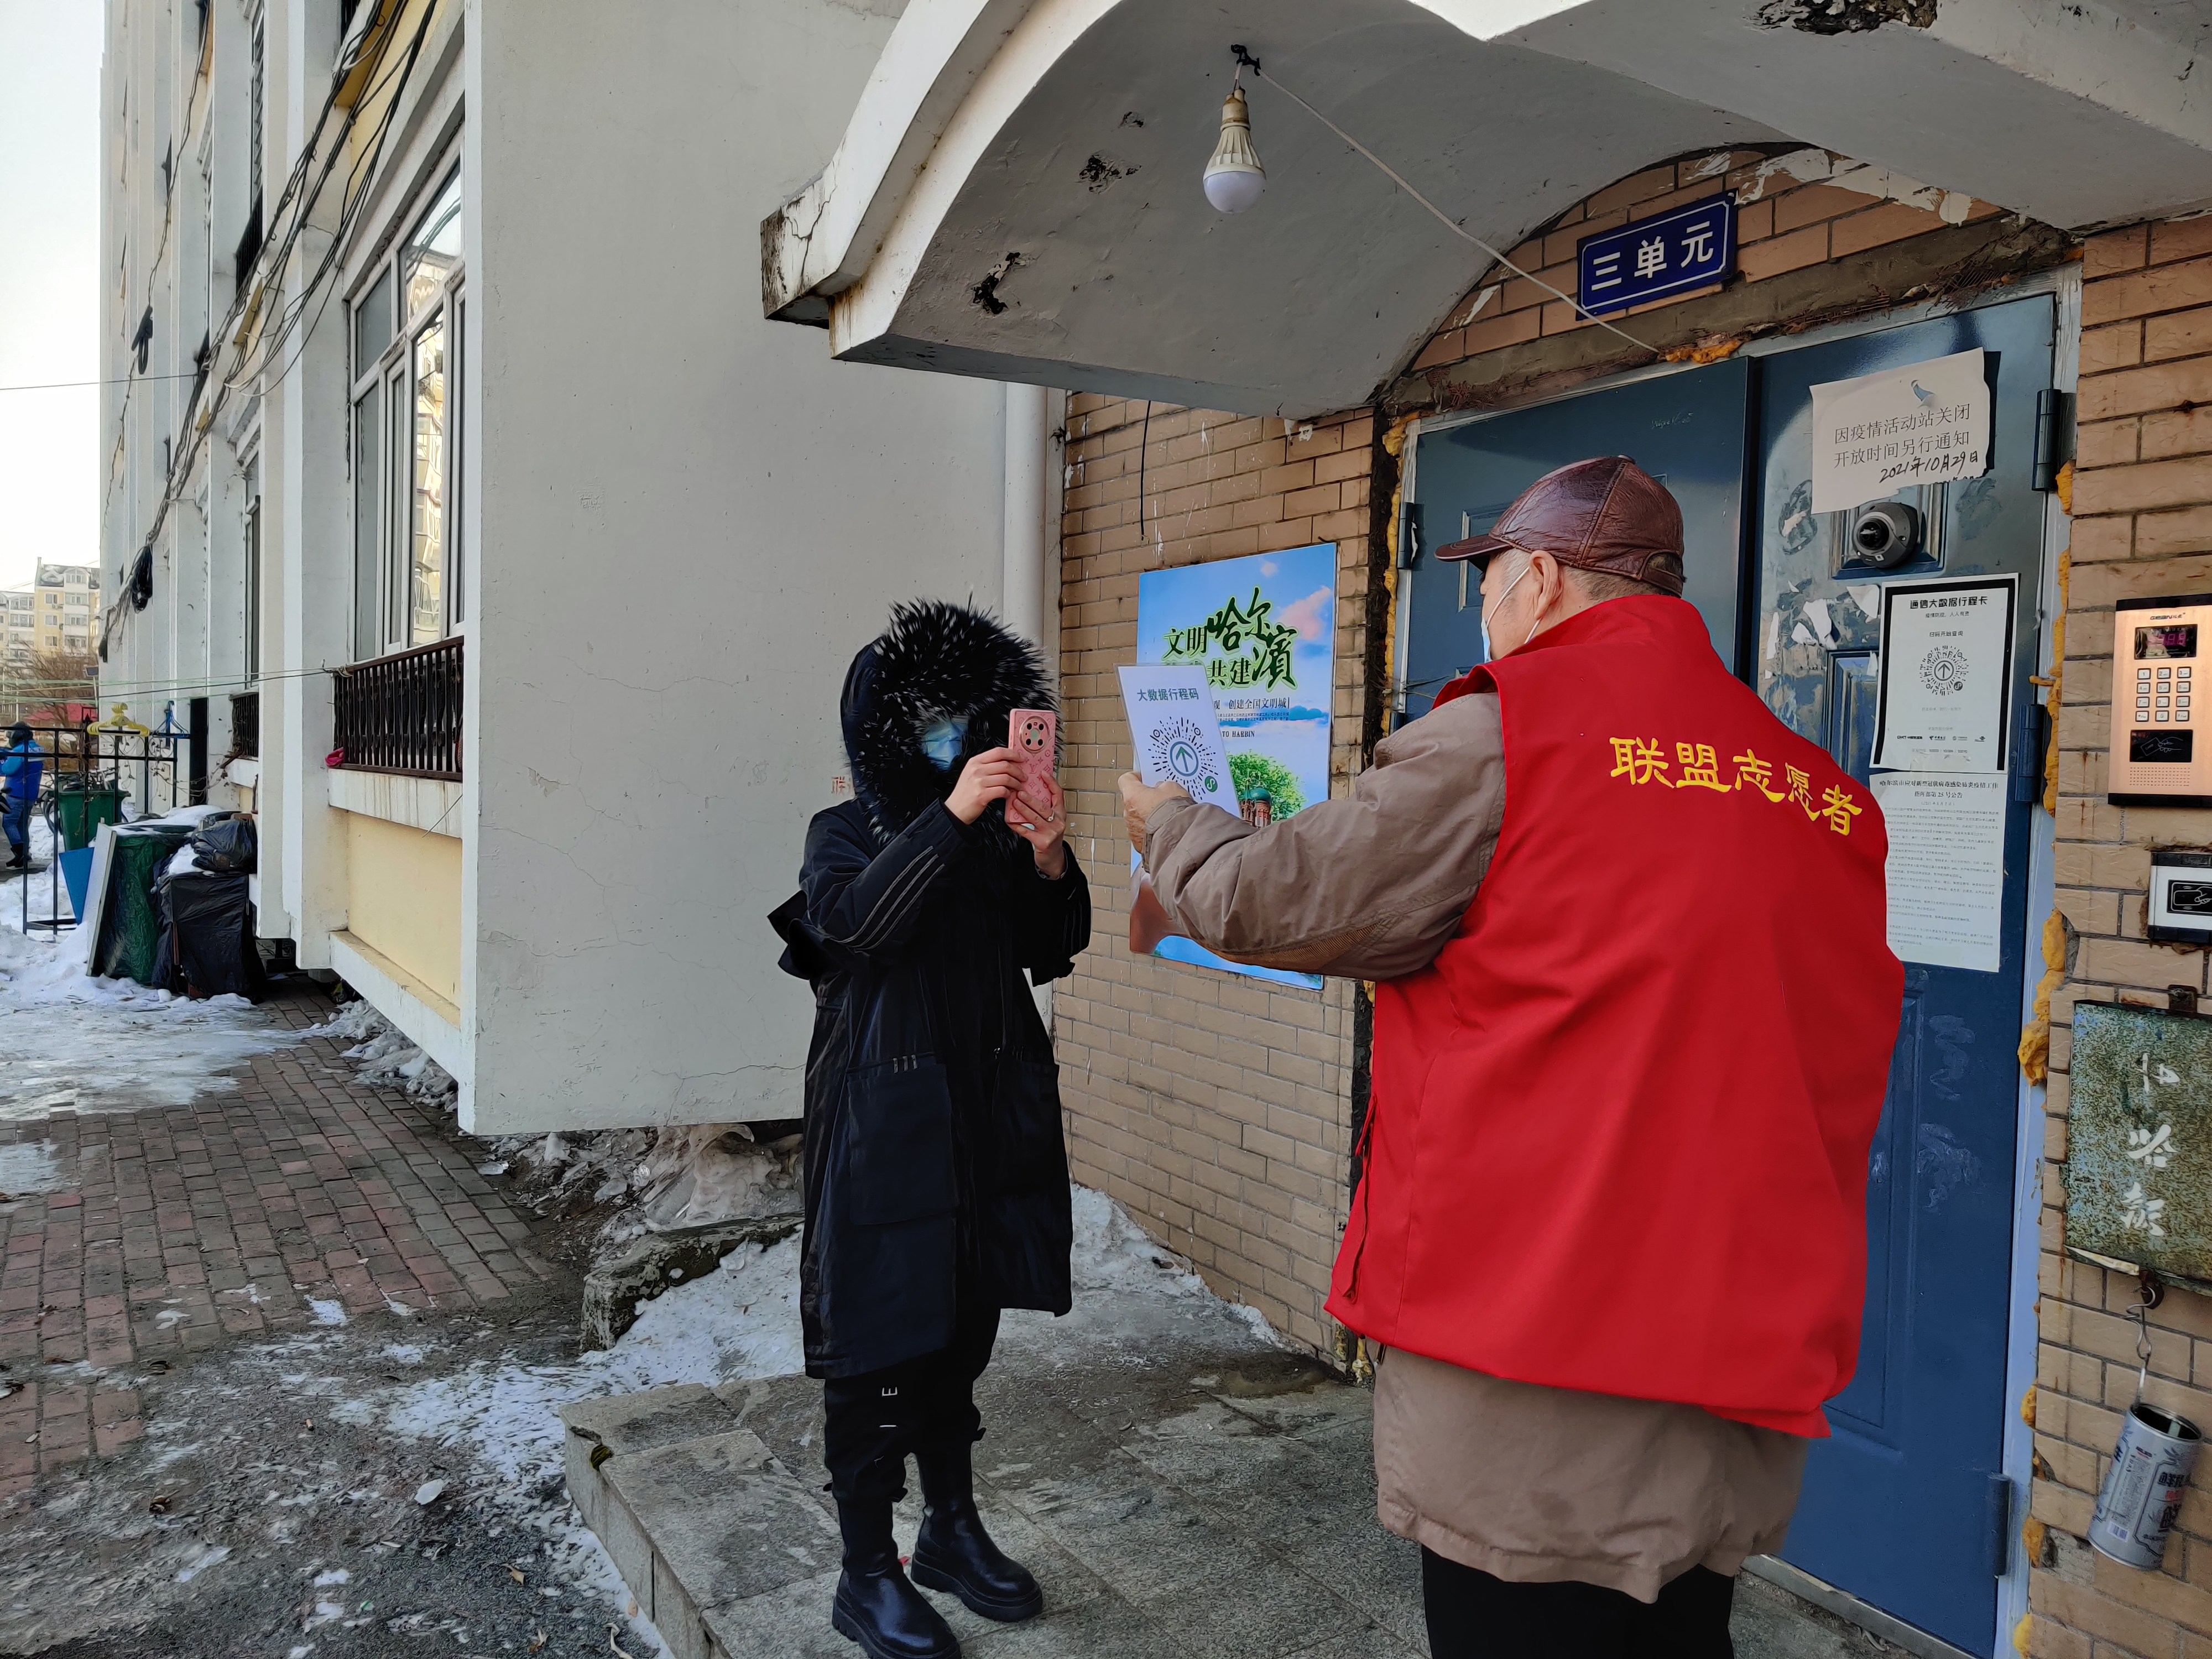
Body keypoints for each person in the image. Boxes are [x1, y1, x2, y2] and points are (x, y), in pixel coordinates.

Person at [1118, 457, 1902, 1658]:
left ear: (1535, 580)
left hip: (1539, 1363)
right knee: (1679, 1631)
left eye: (1485, 581)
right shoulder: (1810, 789)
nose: (1478, 608)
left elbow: (1263, 905)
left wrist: (1165, 819)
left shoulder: (1500, 740)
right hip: (1731, 1350)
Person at [770, 599, 1091, 1659]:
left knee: (960, 1331)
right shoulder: (845, 834)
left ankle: (951, 1529)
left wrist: (1047, 859)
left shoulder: (997, 838)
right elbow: (858, 927)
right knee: (875, 1348)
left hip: (985, 1123)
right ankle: (867, 1572)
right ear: (887, 732)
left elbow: (1051, 947)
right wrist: (949, 818)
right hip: (885, 1133)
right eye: (935, 723)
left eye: (973, 721)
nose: (960, 741)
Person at [1, 722, 45, 869]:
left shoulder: (19, 750)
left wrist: (4, 759)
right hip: (31, 794)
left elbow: (8, 769)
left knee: (9, 822)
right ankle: (24, 854)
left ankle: (19, 852)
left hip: (16, 792)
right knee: (21, 823)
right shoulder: (39, 748)